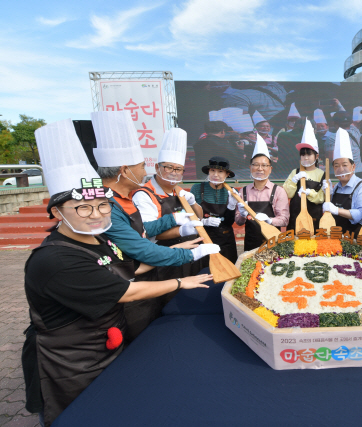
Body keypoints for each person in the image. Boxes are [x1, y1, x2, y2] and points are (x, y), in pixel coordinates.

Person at [21, 119, 212, 427]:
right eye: (83, 208)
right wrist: (182, 275)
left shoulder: (99, 239)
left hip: (106, 343)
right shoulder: (56, 259)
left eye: (101, 205)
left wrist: (183, 249)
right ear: (58, 212)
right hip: (70, 359)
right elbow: (128, 289)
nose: (96, 214)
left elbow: (132, 265)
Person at [91, 112, 219, 341]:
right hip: (129, 279)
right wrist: (188, 250)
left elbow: (141, 231)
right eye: (141, 165)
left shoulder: (121, 200)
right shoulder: (105, 206)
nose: (143, 171)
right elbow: (141, 247)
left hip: (143, 269)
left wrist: (178, 222)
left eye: (178, 169)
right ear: (124, 170)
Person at [132, 128, 204, 248]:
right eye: (169, 167)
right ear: (157, 167)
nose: (174, 173)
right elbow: (148, 231)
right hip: (165, 255)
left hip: (190, 251)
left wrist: (193, 203)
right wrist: (181, 231)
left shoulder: (179, 191)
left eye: (178, 169)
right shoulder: (144, 195)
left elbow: (199, 216)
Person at [235, 135, 290, 251]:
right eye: (256, 165)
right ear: (250, 168)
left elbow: (285, 219)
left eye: (264, 165)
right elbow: (238, 222)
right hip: (250, 243)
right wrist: (242, 215)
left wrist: (270, 220)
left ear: (270, 169)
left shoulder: (278, 191)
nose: (260, 169)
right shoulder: (243, 191)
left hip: (273, 242)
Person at [322, 128, 362, 235]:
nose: (341, 169)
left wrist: (337, 210)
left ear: (353, 167)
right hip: (336, 236)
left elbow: (361, 215)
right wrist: (328, 195)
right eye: (336, 166)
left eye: (345, 165)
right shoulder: (336, 187)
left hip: (354, 238)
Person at [190, 156, 239, 263]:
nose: (215, 175)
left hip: (225, 240)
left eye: (220, 171)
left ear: (227, 174)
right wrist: (203, 221)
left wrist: (231, 206)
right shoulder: (197, 188)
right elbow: (189, 215)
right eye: (212, 170)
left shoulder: (232, 192)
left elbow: (229, 222)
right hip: (203, 239)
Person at [283, 120, 325, 232]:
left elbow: (322, 198)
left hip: (314, 219)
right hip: (295, 218)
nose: (305, 158)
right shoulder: (294, 172)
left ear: (317, 156)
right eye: (303, 154)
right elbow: (287, 193)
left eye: (309, 154)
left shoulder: (322, 175)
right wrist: (293, 180)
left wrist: (309, 193)